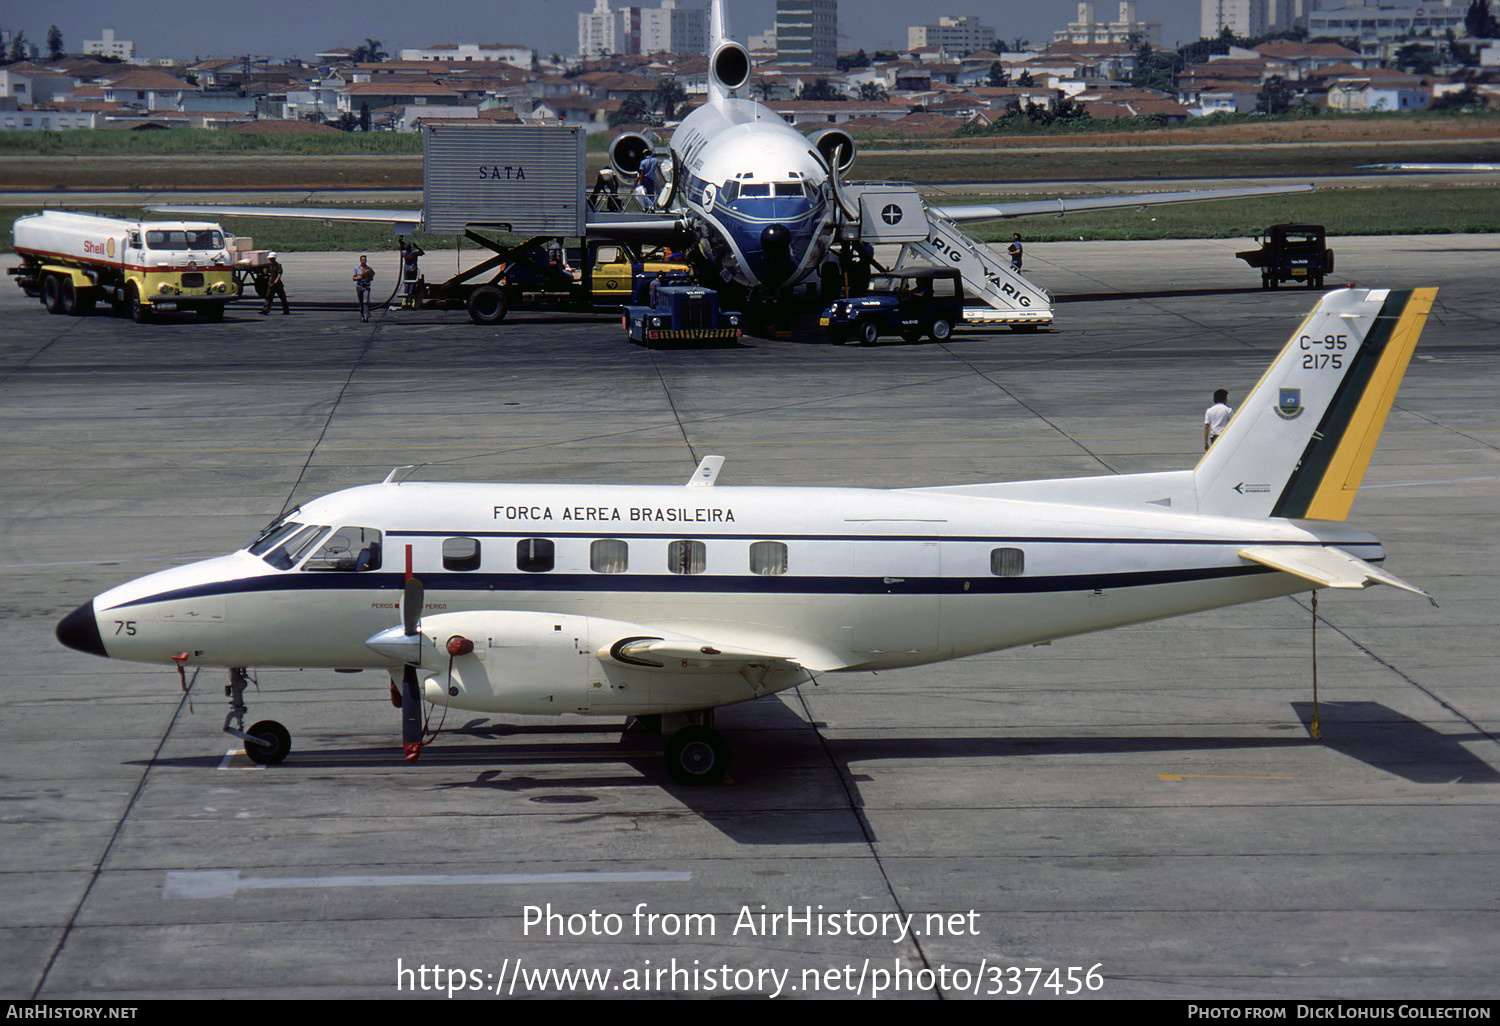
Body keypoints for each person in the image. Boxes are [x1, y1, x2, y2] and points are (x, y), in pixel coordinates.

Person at [352, 254, 376, 322]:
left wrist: (368, 276)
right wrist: (359, 277)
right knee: (361, 303)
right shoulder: (357, 268)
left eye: (365, 260)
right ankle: (362, 315)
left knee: (366, 301)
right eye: (363, 260)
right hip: (359, 286)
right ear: (360, 261)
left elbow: (372, 278)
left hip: (366, 286)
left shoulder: (369, 268)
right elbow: (353, 278)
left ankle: (366, 316)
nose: (364, 261)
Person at [400, 240, 424, 306]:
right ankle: (411, 297)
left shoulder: (403, 252)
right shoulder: (414, 252)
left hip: (406, 269)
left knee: (407, 283)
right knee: (412, 284)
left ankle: (405, 297)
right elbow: (422, 253)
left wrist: (401, 244)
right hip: (413, 269)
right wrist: (417, 247)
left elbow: (401, 249)